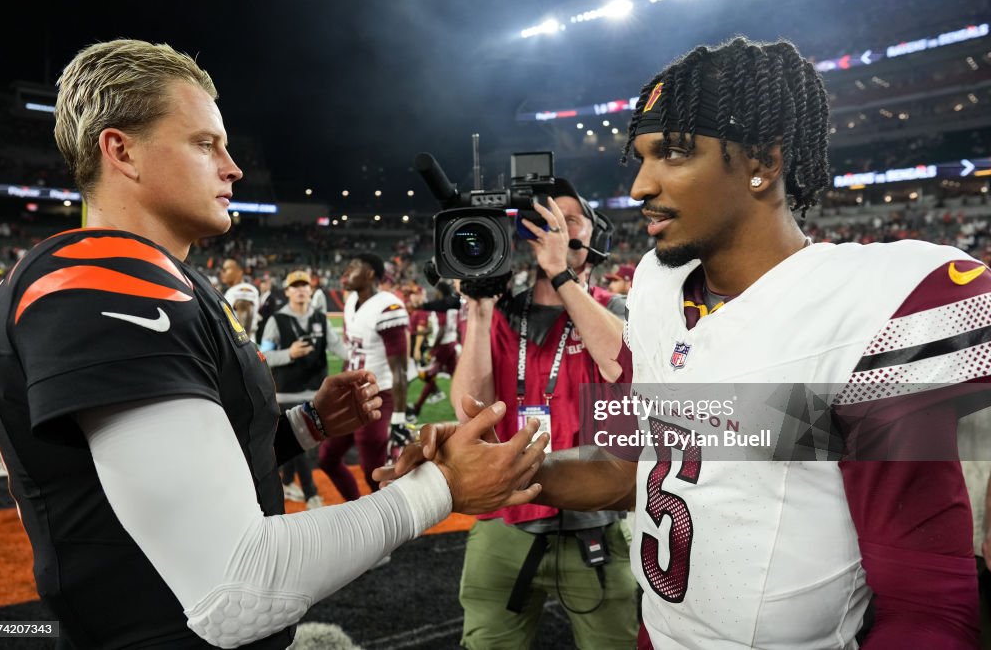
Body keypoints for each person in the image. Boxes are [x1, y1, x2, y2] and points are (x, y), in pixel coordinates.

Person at [385, 36, 986, 649]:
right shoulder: (656, 287)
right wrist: (477, 469)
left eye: (673, 153)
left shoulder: (873, 304)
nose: (642, 183)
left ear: (765, 161)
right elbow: (628, 466)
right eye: (642, 156)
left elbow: (926, 606)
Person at [0, 39, 547, 650]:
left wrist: (304, 427)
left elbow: (181, 465)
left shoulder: (168, 276)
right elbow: (234, 589)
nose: (233, 167)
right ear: (121, 151)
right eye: (205, 144)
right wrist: (441, 488)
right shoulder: (103, 280)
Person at [449, 178, 638, 649]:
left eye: (571, 218)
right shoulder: (500, 315)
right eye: (546, 216)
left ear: (595, 236)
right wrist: (478, 309)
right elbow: (470, 409)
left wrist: (560, 275)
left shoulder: (613, 309)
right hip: (504, 522)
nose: (557, 224)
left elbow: (620, 361)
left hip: (593, 523)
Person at [319, 253, 411, 500]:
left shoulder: (388, 306)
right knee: (327, 457)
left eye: (353, 267)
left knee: (373, 470)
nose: (346, 272)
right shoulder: (350, 302)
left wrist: (399, 418)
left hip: (378, 394)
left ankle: (394, 518)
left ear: (370, 273)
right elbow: (353, 352)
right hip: (352, 393)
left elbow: (400, 369)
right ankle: (355, 506)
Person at [260, 269, 347, 508]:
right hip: (286, 393)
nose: (300, 290)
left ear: (311, 290)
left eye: (304, 286)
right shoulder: (276, 320)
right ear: (287, 292)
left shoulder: (320, 319)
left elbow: (339, 348)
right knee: (300, 445)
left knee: (297, 443)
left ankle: (287, 481)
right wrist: (290, 353)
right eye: (295, 286)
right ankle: (311, 493)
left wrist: (364, 357)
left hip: (316, 393)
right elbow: (263, 356)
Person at [410, 281, 458, 418]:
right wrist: (420, 333)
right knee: (456, 376)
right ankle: (463, 407)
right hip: (451, 343)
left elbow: (441, 330)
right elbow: (438, 328)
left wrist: (433, 347)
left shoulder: (442, 306)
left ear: (440, 292)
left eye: (437, 291)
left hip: (443, 346)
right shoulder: (450, 304)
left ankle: (417, 408)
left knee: (428, 376)